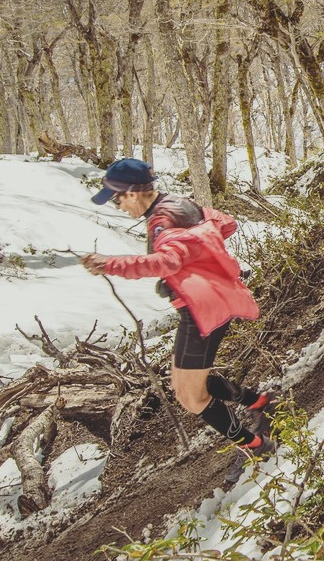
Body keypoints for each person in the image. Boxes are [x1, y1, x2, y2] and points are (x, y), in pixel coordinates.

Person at [79, 158, 275, 483]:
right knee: (184, 382)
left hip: (202, 311)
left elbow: (166, 261)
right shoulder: (179, 204)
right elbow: (225, 224)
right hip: (209, 302)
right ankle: (259, 401)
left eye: (116, 198)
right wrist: (199, 263)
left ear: (132, 193)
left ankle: (255, 445)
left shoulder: (162, 220)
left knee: (190, 397)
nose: (117, 205)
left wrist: (110, 263)